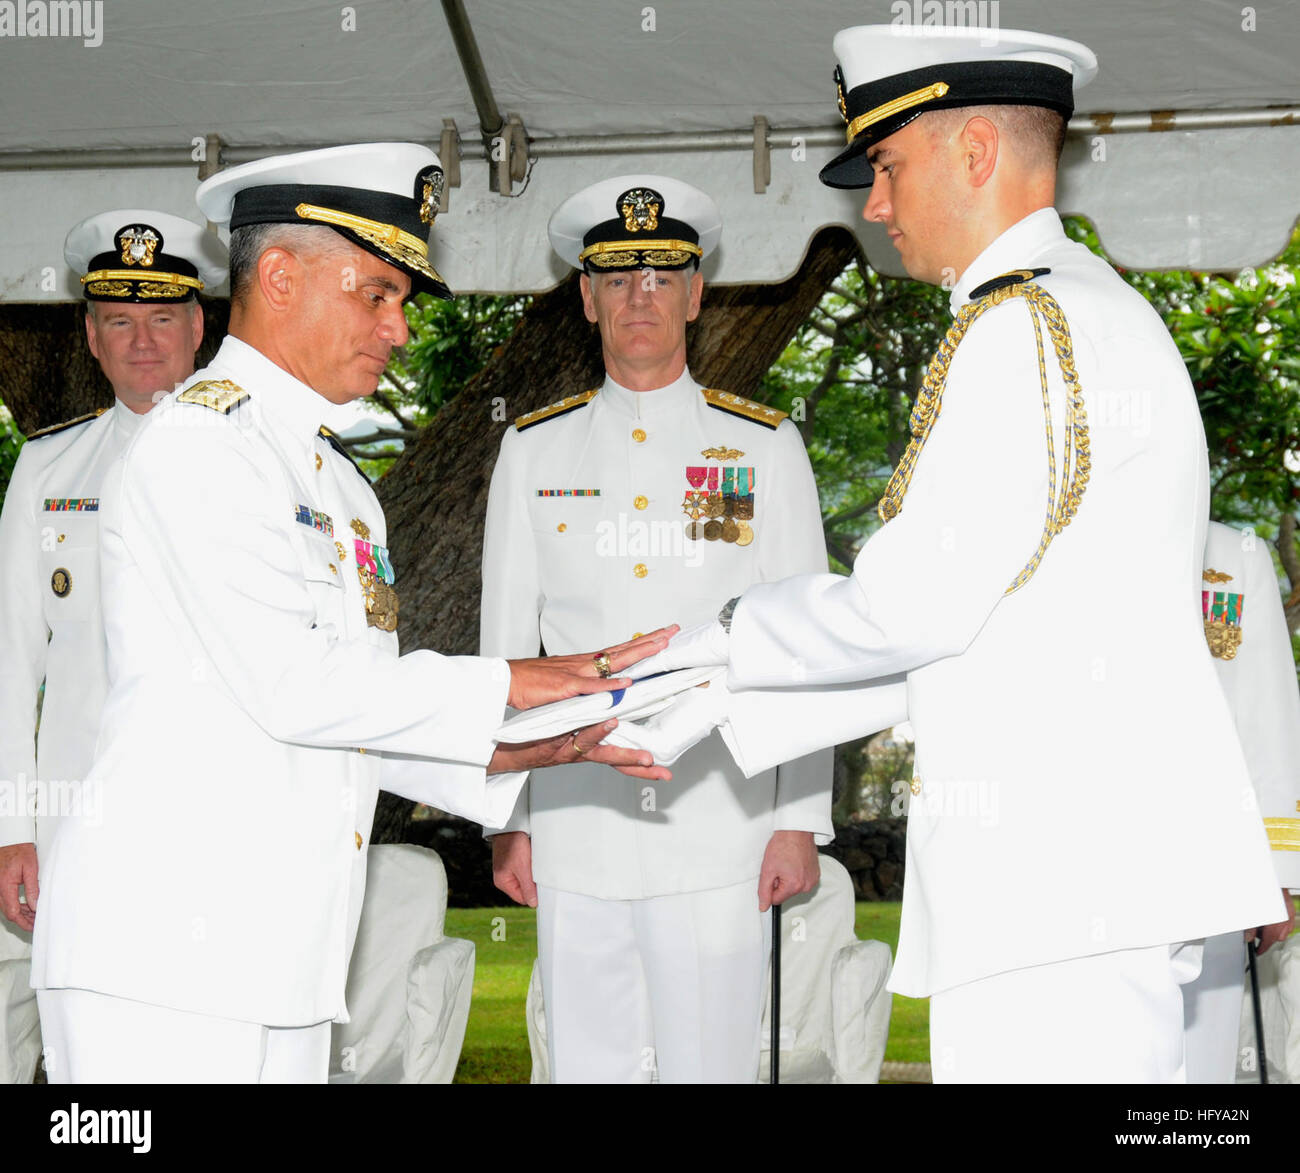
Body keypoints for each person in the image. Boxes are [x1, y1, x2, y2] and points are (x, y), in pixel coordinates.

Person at [623, 24, 1284, 1082]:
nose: (873, 206)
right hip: (1085, 878)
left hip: (1054, 882)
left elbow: (910, 610)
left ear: (974, 151)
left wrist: (715, 645)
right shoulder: (1094, 309)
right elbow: (980, 638)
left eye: (884, 168)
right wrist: (709, 694)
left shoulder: (1022, 326)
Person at [28, 143, 671, 1084]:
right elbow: (297, 688)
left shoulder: (339, 485)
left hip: (281, 958)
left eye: (402, 300)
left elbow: (357, 716)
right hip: (161, 955)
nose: (399, 328)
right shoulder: (199, 446)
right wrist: (514, 677)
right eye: (376, 293)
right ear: (279, 276)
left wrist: (535, 739)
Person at [480, 175, 833, 1082]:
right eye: (619, 276)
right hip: (574, 820)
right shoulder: (532, 451)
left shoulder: (761, 447)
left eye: (664, 274)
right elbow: (504, 646)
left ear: (697, 293)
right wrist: (504, 815)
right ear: (588, 298)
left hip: (720, 820)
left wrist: (798, 819)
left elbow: (804, 646)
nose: (642, 294)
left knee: (710, 1066)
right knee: (585, 1066)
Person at [0, 210, 226, 1083]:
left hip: (215, 829)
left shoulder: (259, 467)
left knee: (209, 1051)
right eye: (120, 320)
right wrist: (13, 828)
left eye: (163, 316)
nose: (143, 341)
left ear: (199, 327)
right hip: (76, 835)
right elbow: (12, 662)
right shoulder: (47, 472)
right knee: (89, 1062)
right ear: (90, 335)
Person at [1182, 522, 1298, 1082]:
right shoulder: (1053, 532)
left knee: (1201, 1060)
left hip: (1210, 857)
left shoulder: (1233, 554)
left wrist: (1274, 871)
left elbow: (1267, 710)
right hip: (1077, 853)